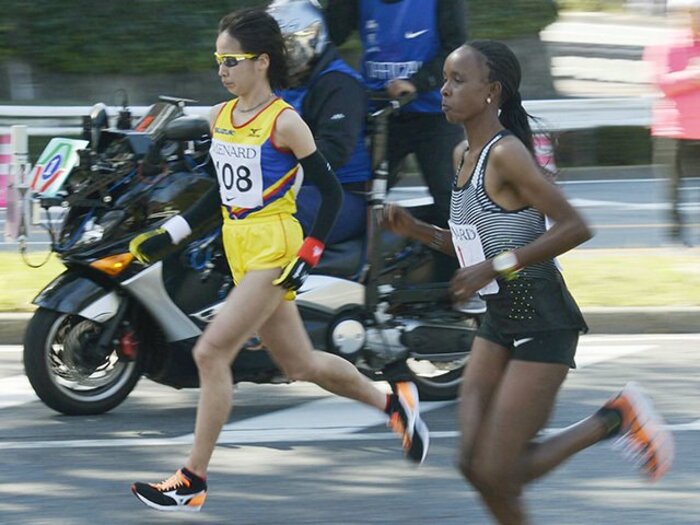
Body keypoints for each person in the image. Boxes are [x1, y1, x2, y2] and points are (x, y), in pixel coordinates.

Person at [128, 8, 429, 513]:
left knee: (210, 353)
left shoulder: (285, 121)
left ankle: (192, 479)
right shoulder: (222, 118)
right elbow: (216, 195)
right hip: (240, 244)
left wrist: (307, 258)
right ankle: (394, 405)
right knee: (300, 363)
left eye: (231, 60)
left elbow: (330, 195)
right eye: (217, 59)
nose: (222, 69)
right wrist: (170, 236)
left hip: (276, 247)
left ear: (262, 62)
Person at [383, 40, 675, 524]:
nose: (445, 90)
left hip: (542, 320)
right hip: (499, 322)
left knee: (499, 472)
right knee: (473, 465)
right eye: (444, 80)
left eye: (458, 80)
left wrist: (494, 267)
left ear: (492, 91)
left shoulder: (507, 154)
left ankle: (616, 417)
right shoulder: (463, 154)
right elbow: (474, 247)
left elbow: (575, 226)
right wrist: (416, 231)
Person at [324, 0, 467, 230]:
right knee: (359, 197)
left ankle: (456, 262)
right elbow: (334, 33)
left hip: (433, 113)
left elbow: (456, 48)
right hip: (380, 112)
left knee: (451, 202)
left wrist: (417, 82)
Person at [270, 0, 372, 245]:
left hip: (342, 193)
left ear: (312, 37)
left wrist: (272, 168)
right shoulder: (282, 83)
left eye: (287, 46)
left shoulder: (340, 84)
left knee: (263, 212)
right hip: (297, 185)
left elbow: (334, 151)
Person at [644, 0, 700, 243]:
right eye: (693, 14)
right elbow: (662, 82)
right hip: (674, 129)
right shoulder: (665, 46)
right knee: (673, 190)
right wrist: (695, 75)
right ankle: (676, 238)